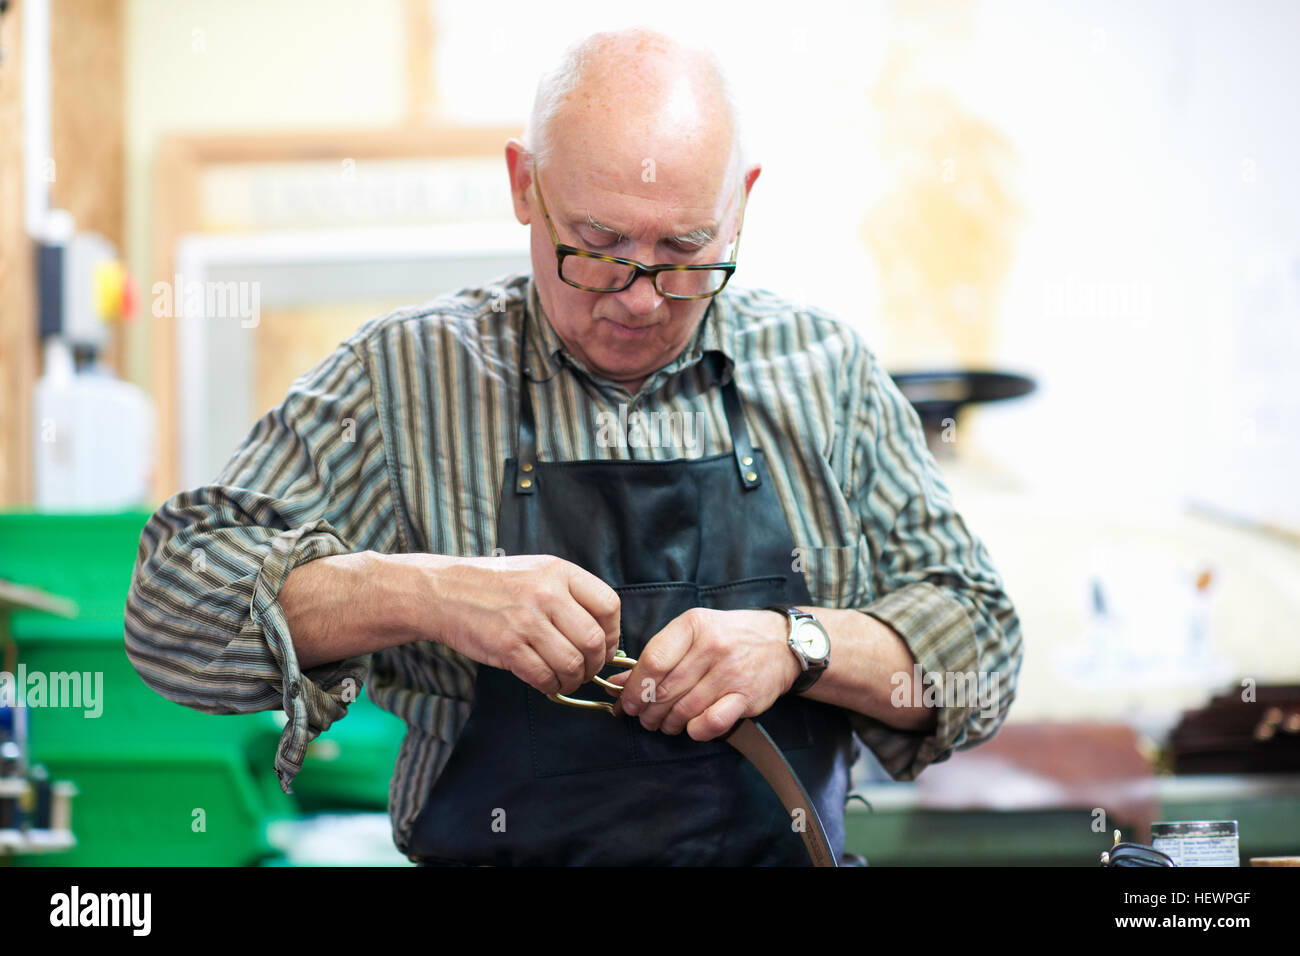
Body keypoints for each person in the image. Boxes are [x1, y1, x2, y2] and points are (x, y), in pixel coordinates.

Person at [125, 28, 1023, 866]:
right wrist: (427, 590)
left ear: (741, 205)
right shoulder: (404, 377)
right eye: (597, 247)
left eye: (685, 250)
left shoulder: (825, 375)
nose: (640, 297)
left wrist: (801, 645)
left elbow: (982, 659)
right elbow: (170, 612)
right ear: (525, 187)